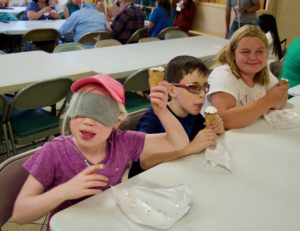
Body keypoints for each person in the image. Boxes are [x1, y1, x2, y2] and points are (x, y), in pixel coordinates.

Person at [12, 74, 189, 229]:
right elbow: (20, 214)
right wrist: (64, 191)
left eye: (101, 111)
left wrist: (162, 112)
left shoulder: (123, 142)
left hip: (108, 222)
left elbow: (179, 143)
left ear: (117, 121)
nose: (88, 121)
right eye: (83, 109)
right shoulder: (54, 151)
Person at [129, 55, 224, 178]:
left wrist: (218, 129)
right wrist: (189, 149)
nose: (202, 95)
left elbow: (205, 141)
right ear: (172, 91)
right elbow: (145, 162)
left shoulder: (194, 114)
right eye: (194, 87)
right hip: (146, 184)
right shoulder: (152, 119)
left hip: (178, 177)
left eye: (205, 87)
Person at [206, 25, 289, 130]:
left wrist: (274, 101)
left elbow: (281, 98)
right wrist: (268, 101)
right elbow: (224, 120)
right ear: (232, 54)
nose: (253, 57)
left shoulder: (263, 72)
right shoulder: (222, 75)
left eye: (259, 51)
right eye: (245, 52)